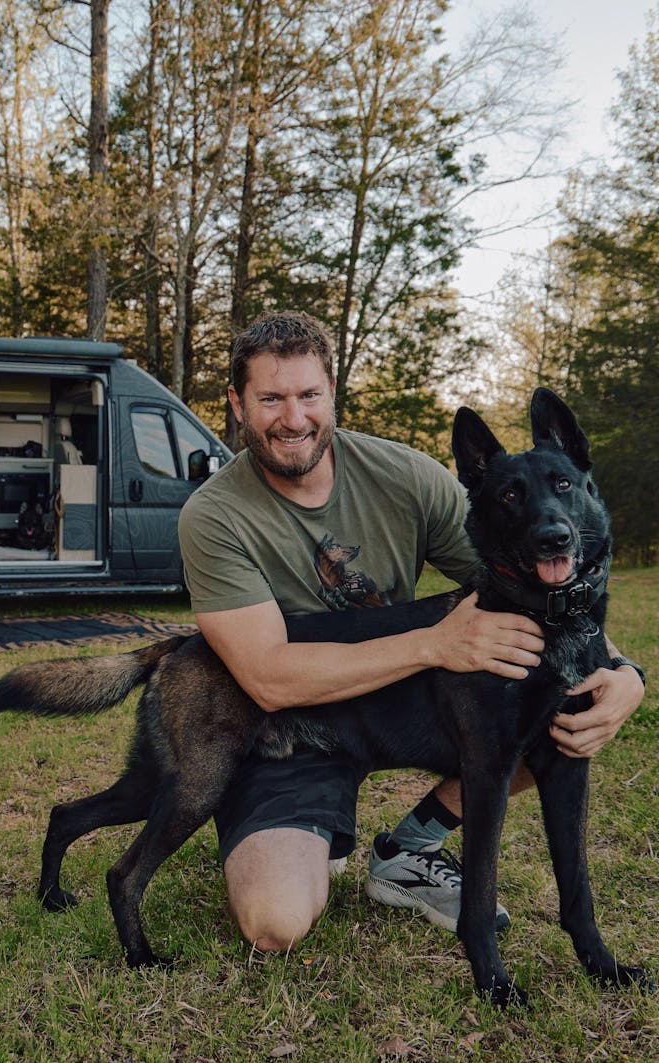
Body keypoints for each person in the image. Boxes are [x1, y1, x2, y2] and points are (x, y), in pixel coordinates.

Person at [177, 310, 645, 954]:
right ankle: (300, 833)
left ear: (331, 393)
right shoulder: (214, 515)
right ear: (237, 404)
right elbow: (266, 677)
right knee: (275, 922)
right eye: (271, 398)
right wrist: (432, 644)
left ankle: (408, 850)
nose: (294, 417)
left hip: (395, 711)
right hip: (288, 728)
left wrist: (624, 674)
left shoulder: (405, 475)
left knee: (550, 722)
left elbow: (531, 579)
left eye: (309, 394)